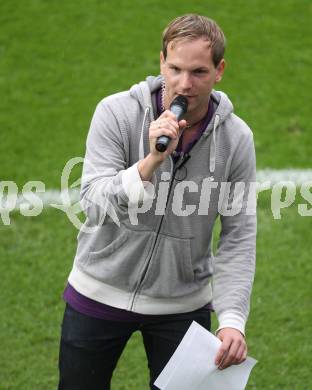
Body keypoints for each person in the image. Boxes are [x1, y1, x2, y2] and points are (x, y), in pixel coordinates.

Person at [58, 13, 257, 390]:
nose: (184, 84)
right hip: (98, 290)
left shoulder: (236, 139)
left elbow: (239, 236)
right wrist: (149, 163)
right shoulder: (115, 113)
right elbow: (94, 204)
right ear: (161, 62)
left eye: (199, 71)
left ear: (220, 70)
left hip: (182, 304)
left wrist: (232, 320)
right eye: (175, 68)